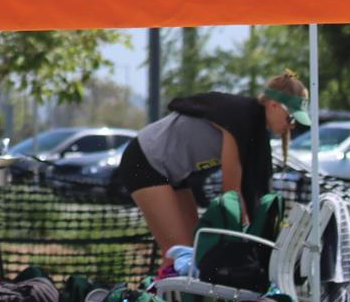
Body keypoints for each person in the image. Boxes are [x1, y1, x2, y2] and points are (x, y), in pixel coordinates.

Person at [115, 72, 311, 260]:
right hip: (144, 160)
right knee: (180, 254)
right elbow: (231, 194)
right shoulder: (242, 118)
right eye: (291, 118)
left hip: (173, 173)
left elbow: (253, 193)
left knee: (196, 249)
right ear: (274, 105)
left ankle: (173, 292)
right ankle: (153, 294)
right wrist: (245, 239)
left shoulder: (256, 129)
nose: (292, 126)